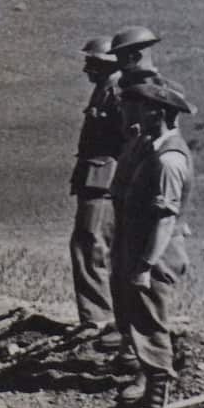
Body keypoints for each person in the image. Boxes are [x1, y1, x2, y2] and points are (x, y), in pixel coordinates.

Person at [109, 82, 196, 408]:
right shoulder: (148, 146)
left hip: (153, 256)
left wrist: (145, 266)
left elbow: (165, 219)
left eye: (134, 106)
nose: (126, 112)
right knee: (131, 317)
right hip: (135, 250)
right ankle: (146, 385)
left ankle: (155, 405)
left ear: (155, 112)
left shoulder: (169, 160)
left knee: (149, 325)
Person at [69, 38, 125, 338]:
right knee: (91, 246)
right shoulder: (105, 89)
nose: (86, 68)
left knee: (90, 245)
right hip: (98, 180)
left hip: (104, 182)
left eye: (92, 61)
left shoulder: (114, 92)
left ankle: (99, 318)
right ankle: (101, 316)